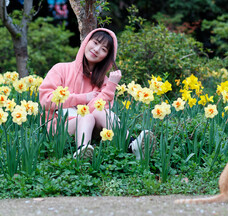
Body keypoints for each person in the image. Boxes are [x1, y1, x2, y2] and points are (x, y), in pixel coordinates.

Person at [39, 28, 156, 160]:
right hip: (57, 127)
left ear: (107, 57)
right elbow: (45, 100)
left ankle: (133, 145)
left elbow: (99, 112)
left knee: (99, 113)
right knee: (86, 117)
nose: (96, 49)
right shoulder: (61, 69)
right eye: (95, 42)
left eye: (104, 49)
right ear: (86, 42)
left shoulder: (104, 82)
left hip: (91, 128)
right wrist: (83, 98)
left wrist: (111, 86)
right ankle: (82, 151)